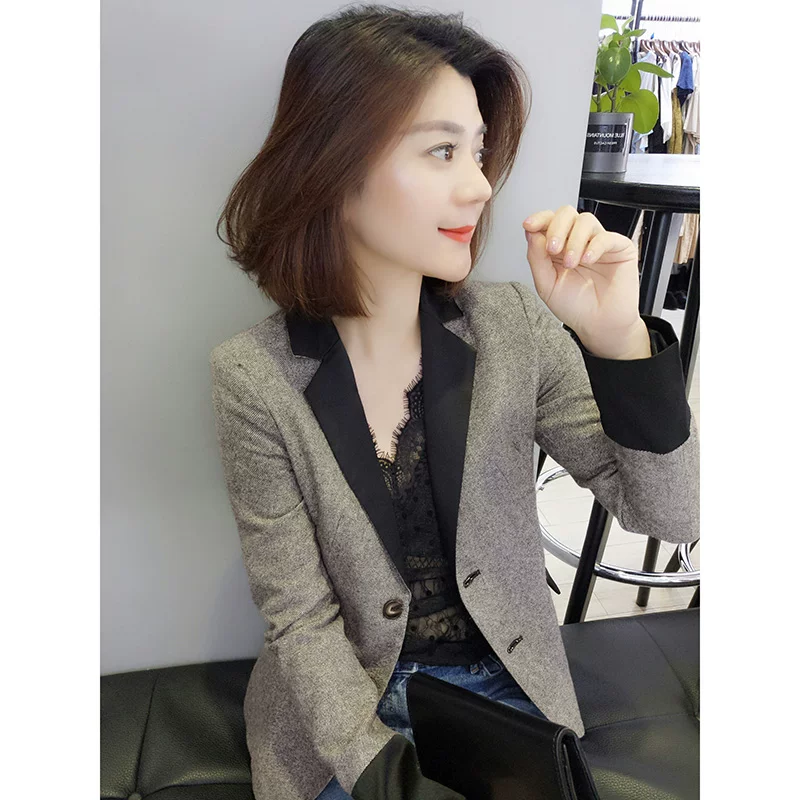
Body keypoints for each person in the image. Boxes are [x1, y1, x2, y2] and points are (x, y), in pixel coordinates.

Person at [210, 5, 699, 800]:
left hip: (505, 695)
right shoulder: (253, 376)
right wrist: (384, 774)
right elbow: (299, 618)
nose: (478, 184)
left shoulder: (512, 329)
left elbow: (671, 515)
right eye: (442, 150)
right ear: (333, 165)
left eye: (477, 151)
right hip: (343, 717)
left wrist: (618, 340)